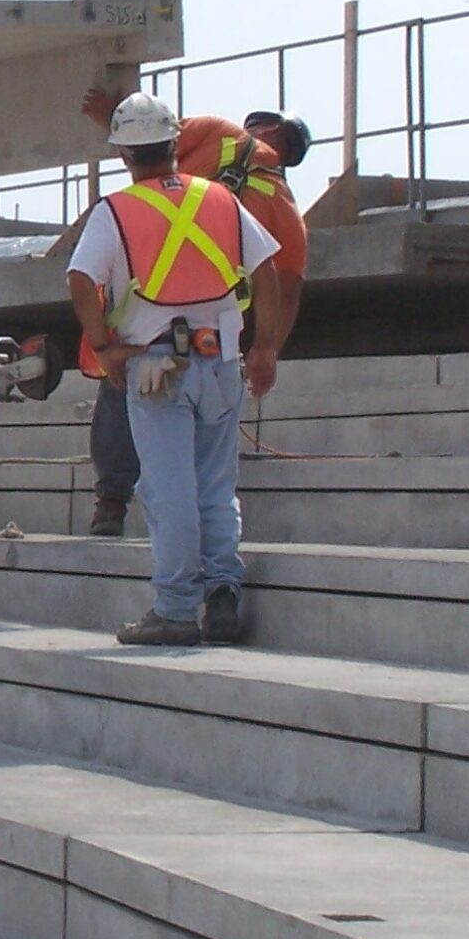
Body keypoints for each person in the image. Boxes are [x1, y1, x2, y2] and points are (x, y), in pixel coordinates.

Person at [67, 93, 284, 646]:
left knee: (169, 490)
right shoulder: (219, 198)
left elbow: (79, 280)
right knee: (216, 487)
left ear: (123, 153)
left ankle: (176, 609)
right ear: (173, 143)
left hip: (155, 365)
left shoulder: (114, 212)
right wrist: (265, 350)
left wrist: (103, 346)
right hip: (222, 363)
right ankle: (223, 595)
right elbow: (268, 271)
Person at [77, 91, 313, 537]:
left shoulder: (219, 134)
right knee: (210, 478)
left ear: (266, 129)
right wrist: (267, 351)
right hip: (215, 341)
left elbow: (147, 137)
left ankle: (113, 503)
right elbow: (284, 284)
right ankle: (217, 573)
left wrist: (107, 112)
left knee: (124, 398)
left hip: (149, 330)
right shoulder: (280, 201)